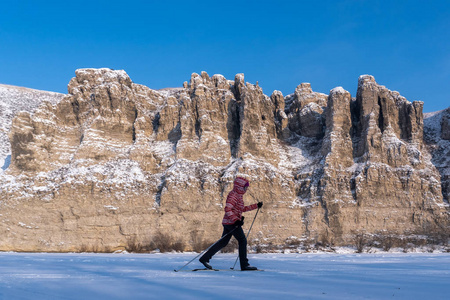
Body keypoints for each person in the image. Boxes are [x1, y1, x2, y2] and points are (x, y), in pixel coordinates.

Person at [199, 176, 263, 271]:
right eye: (245, 187)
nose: (246, 189)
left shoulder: (238, 196)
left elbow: (242, 209)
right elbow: (227, 209)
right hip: (231, 223)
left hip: (229, 222)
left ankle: (204, 258)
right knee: (242, 240)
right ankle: (244, 265)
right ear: (240, 186)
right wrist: (235, 220)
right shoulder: (233, 195)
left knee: (223, 242)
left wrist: (255, 206)